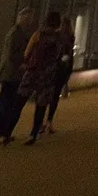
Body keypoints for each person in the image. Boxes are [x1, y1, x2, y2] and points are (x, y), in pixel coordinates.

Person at [0, 7, 37, 144]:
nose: (30, 21)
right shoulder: (16, 34)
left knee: (7, 103)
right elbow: (11, 55)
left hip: (12, 74)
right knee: (6, 103)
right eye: (28, 18)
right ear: (23, 18)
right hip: (12, 74)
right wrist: (22, 64)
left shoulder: (18, 32)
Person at [20, 12, 65, 145]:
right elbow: (60, 56)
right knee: (41, 105)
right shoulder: (58, 38)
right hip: (49, 74)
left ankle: (6, 133)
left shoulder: (38, 35)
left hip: (33, 72)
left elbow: (26, 53)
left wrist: (26, 63)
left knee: (19, 102)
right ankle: (34, 133)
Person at [44, 13, 76, 134]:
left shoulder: (59, 36)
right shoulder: (69, 37)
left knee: (50, 95)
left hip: (57, 69)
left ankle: (46, 121)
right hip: (62, 69)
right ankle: (49, 121)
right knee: (54, 95)